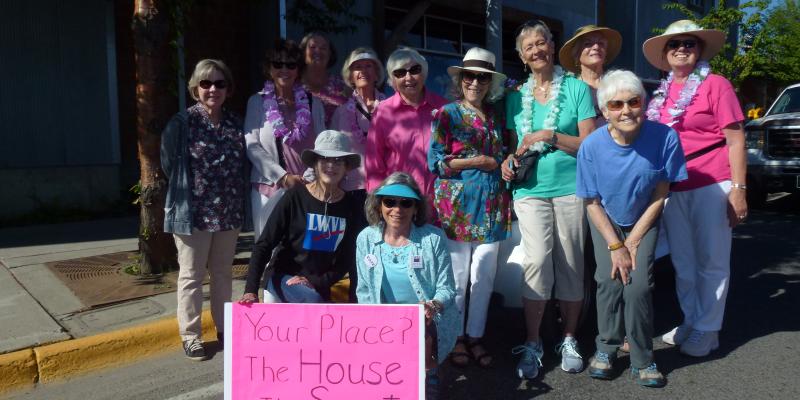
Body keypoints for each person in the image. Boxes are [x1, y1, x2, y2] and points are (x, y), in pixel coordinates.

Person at [643, 20, 748, 357]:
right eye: (674, 44)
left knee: (711, 259)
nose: (682, 49)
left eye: (689, 43)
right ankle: (691, 319)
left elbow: (736, 140)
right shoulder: (661, 94)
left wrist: (738, 189)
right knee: (684, 261)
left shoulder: (717, 84)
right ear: (665, 53)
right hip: (674, 186)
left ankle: (708, 328)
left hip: (712, 181)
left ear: (699, 49)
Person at [576, 70, 687, 387]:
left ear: (644, 102)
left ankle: (643, 358)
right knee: (608, 280)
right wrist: (616, 246)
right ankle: (606, 347)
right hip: (605, 218)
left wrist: (634, 241)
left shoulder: (665, 138)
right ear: (604, 110)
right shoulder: (591, 146)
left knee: (638, 287)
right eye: (616, 104)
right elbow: (591, 202)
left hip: (644, 217)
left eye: (633, 102)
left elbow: (661, 194)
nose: (626, 111)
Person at [500, 20, 596, 379]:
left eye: (541, 43)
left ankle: (569, 338)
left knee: (571, 263)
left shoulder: (576, 88)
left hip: (571, 187)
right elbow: (514, 148)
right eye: (529, 47)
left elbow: (589, 144)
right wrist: (507, 162)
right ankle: (533, 340)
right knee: (537, 260)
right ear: (522, 57)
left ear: (552, 47)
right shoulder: (515, 97)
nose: (536, 50)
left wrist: (550, 135)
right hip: (529, 191)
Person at [427, 47, 511, 368]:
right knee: (458, 277)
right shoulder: (447, 114)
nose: (474, 82)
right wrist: (478, 161)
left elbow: (502, 155)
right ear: (461, 79)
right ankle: (455, 337)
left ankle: (475, 335)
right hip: (458, 207)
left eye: (482, 78)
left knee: (484, 276)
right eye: (469, 76)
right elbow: (435, 162)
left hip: (492, 205)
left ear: (490, 83)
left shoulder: (495, 117)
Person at [161, 59, 247, 361]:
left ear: (228, 88)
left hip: (228, 212)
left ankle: (224, 329)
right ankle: (191, 335)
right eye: (206, 83)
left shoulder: (235, 122)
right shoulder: (182, 123)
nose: (213, 89)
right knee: (191, 275)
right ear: (195, 88)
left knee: (222, 274)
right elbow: (168, 164)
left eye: (219, 83)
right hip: (193, 214)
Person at [355, 172, 457, 400]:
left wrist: (433, 305)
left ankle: (430, 374)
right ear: (379, 205)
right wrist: (371, 324)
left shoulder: (434, 238)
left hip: (427, 320)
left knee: (424, 384)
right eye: (390, 201)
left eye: (406, 203)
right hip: (384, 321)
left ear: (416, 207)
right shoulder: (366, 239)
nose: (397, 209)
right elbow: (364, 290)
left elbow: (447, 288)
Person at [240, 130, 360, 304]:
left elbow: (348, 258)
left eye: (337, 161)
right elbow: (264, 244)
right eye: (324, 159)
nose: (330, 166)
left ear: (347, 167)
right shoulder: (295, 197)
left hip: (318, 287)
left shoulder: (351, 206)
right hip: (284, 279)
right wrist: (251, 290)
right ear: (315, 164)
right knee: (312, 301)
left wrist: (316, 282)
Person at [244, 39, 325, 239]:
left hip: (309, 186)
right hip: (269, 187)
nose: (284, 69)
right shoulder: (257, 101)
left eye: (290, 65)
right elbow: (252, 146)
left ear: (298, 69)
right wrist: (282, 177)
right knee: (269, 247)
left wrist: (309, 177)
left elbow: (322, 143)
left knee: (307, 247)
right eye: (278, 64)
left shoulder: (313, 102)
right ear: (269, 69)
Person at [365, 47, 448, 217]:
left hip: (440, 204)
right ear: (392, 80)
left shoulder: (444, 108)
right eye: (400, 73)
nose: (408, 77)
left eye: (414, 70)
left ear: (424, 72)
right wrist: (380, 204)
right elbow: (374, 164)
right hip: (400, 206)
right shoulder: (383, 112)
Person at [330, 47, 387, 194]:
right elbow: (332, 151)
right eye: (357, 67)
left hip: (386, 187)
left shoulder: (390, 108)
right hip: (351, 188)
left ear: (377, 73)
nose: (363, 71)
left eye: (368, 66)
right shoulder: (341, 112)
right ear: (350, 77)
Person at [559, 24, 622, 124]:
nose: (596, 47)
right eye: (588, 44)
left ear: (605, 53)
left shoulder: (617, 84)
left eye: (601, 43)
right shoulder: (568, 89)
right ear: (577, 54)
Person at [300, 32, 350, 126]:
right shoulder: (294, 85)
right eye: (313, 47)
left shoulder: (342, 85)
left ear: (330, 54)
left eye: (323, 48)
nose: (318, 51)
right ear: (303, 53)